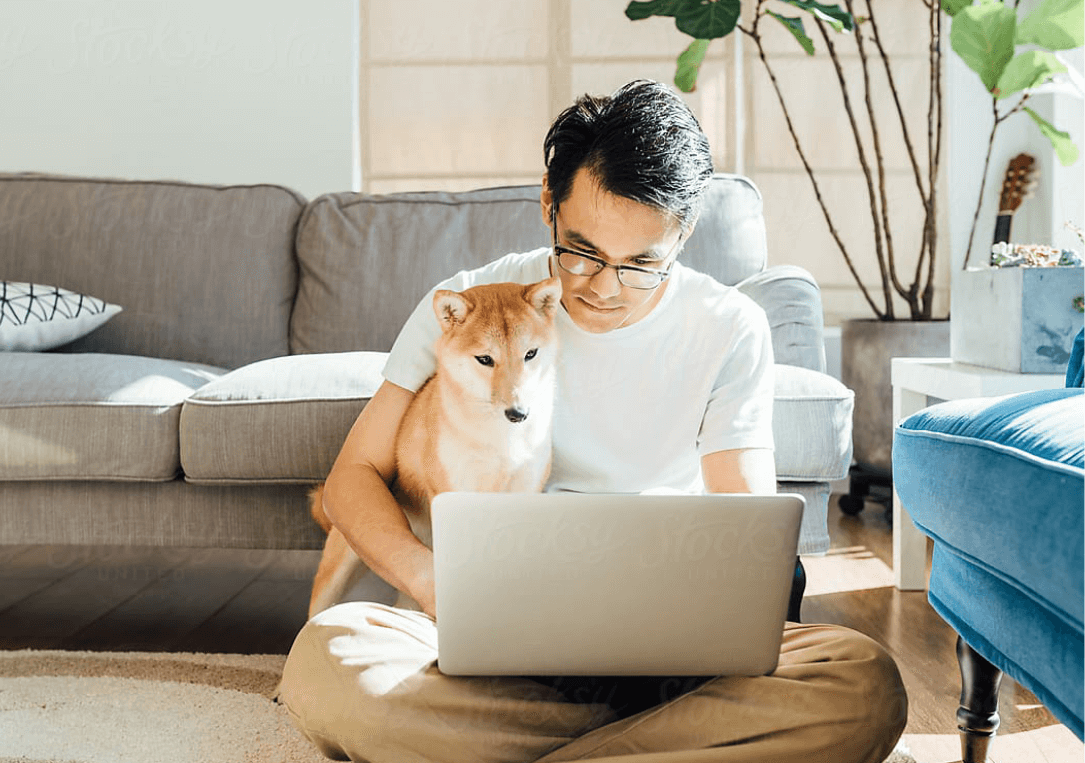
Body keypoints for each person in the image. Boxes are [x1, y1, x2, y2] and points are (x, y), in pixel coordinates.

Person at [277, 80, 907, 763]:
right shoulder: (476, 305)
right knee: (329, 661)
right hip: (498, 644)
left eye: (642, 263)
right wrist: (431, 583)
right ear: (549, 202)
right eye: (581, 252)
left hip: (674, 652)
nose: (604, 287)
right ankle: (663, 748)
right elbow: (351, 480)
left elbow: (744, 519)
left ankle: (528, 749)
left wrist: (721, 625)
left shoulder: (730, 327)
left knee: (865, 683)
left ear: (684, 232)